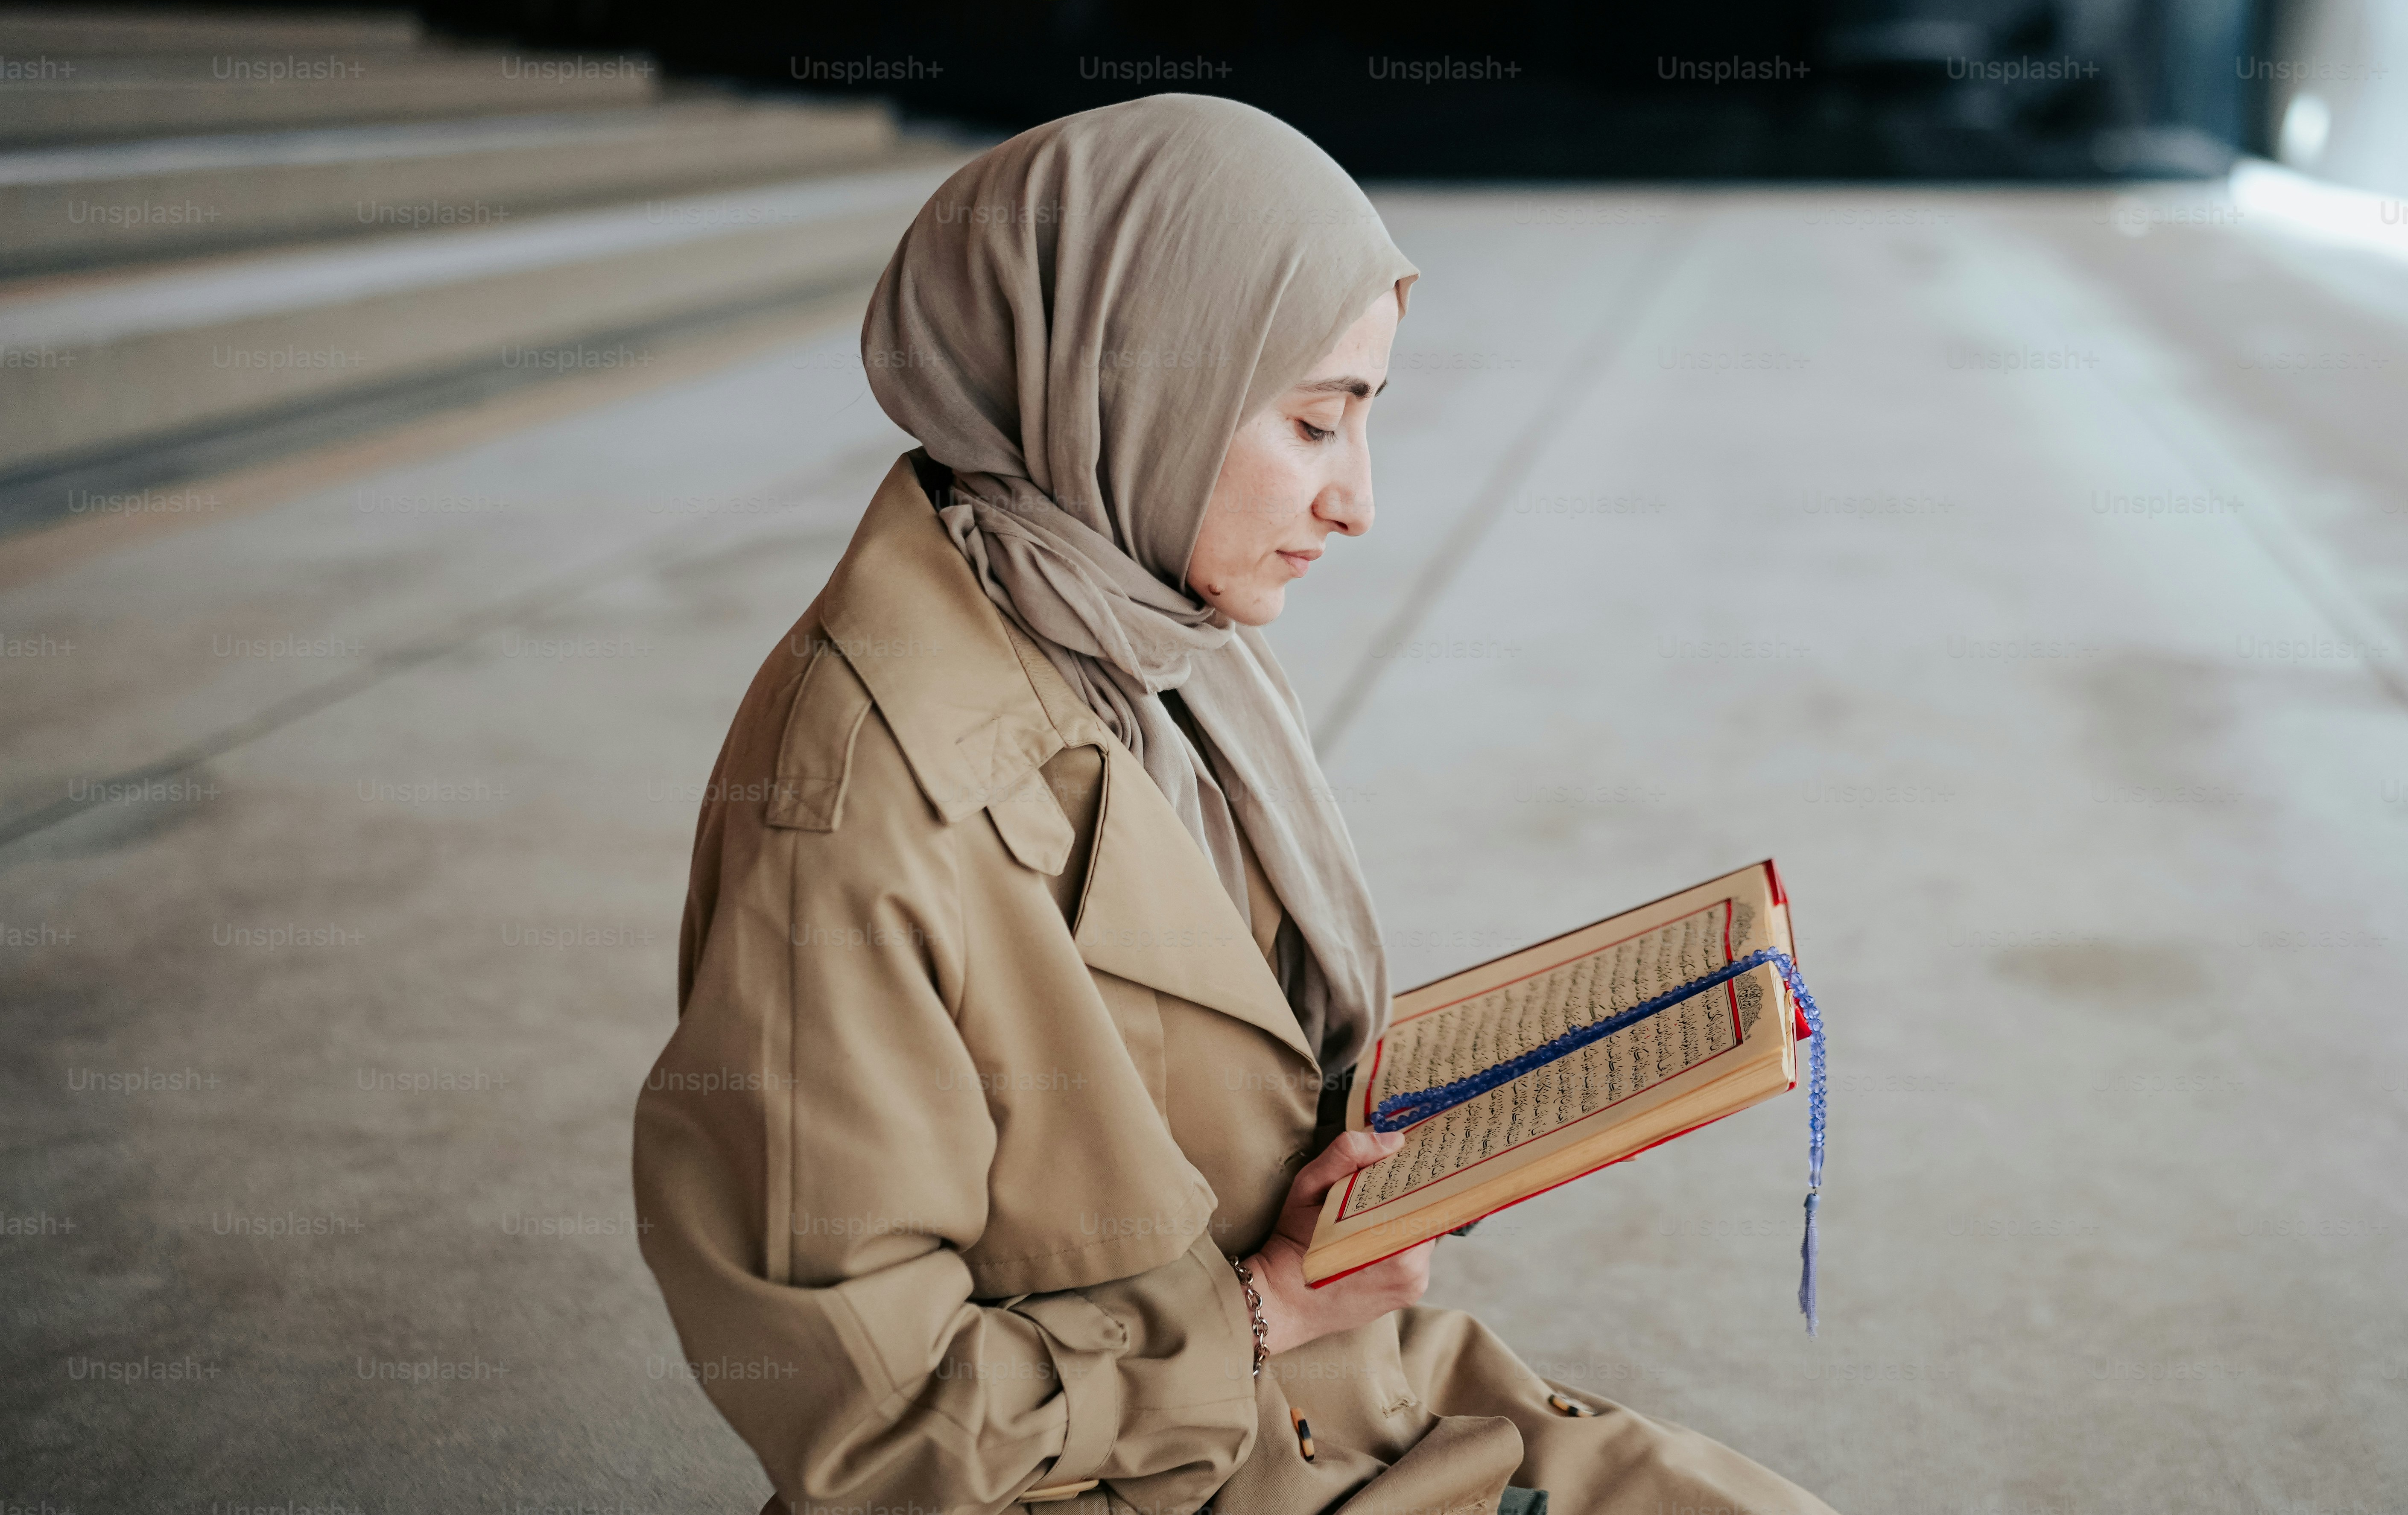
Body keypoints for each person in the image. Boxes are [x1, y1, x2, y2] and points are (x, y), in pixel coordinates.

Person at [631, 94, 1837, 1515]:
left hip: (1335, 1400)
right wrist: (1261, 1311)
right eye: (1317, 424)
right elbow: (876, 1435)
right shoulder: (857, 809)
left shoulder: (1152, 630)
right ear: (1131, 382)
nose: (1357, 503)